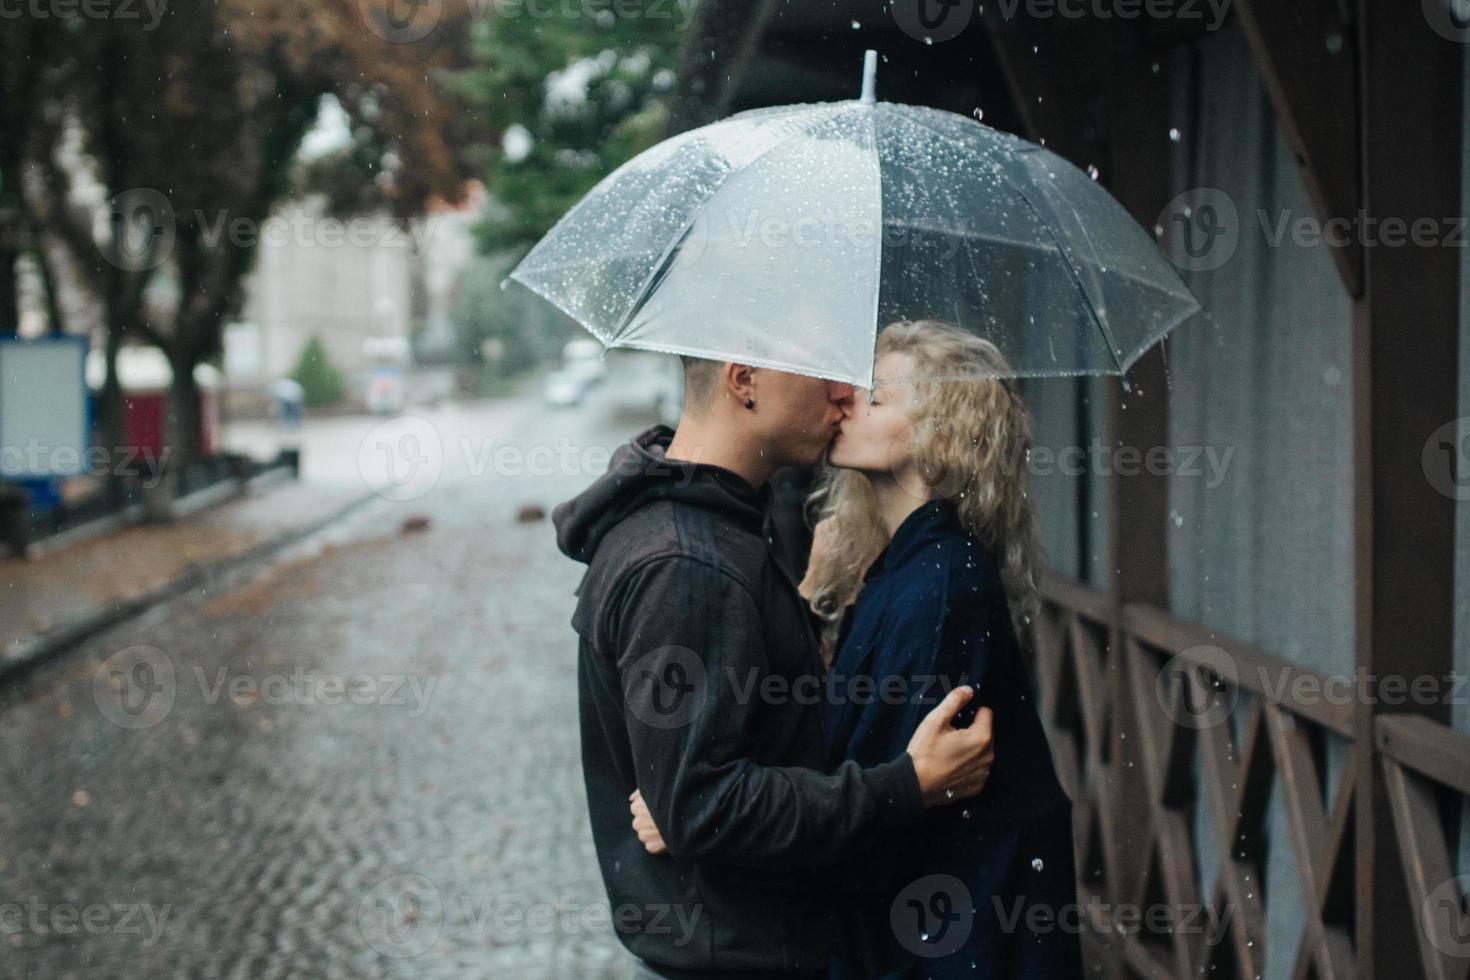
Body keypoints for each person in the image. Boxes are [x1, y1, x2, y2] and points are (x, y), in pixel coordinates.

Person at [632, 322, 1082, 978]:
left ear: (940, 430)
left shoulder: (939, 583)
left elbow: (876, 804)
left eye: (875, 397)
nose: (843, 400)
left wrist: (704, 831)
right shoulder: (901, 565)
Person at [552, 355, 998, 979]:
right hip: (741, 959)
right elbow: (706, 806)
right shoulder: (690, 564)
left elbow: (708, 780)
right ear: (744, 381)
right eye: (821, 371)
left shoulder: (703, 527)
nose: (845, 393)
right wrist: (907, 785)